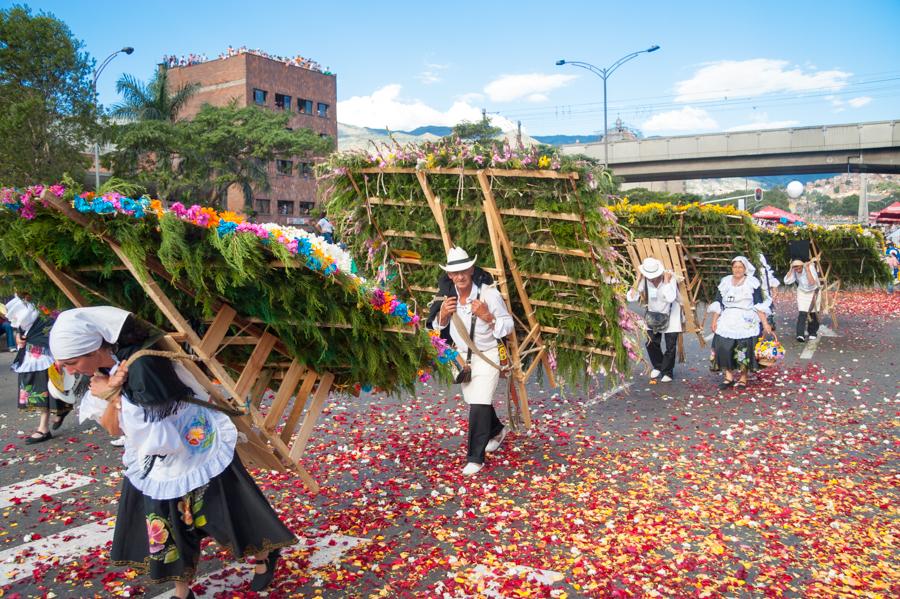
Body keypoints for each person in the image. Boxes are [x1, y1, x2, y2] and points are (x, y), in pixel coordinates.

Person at [50, 307, 295, 598]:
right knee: (165, 522)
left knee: (225, 509)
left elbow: (157, 435)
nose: (70, 371)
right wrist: (112, 393)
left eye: (72, 362)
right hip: (159, 459)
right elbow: (114, 429)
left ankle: (264, 555)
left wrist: (114, 394)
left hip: (194, 446)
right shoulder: (104, 374)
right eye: (64, 365)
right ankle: (182, 591)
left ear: (91, 349)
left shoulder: (143, 365)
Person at [428, 247, 514, 476]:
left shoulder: (488, 294)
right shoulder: (446, 297)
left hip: (488, 355)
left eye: (464, 271)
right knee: (476, 400)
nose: (460, 276)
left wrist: (488, 316)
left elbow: (508, 325)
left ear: (472, 270)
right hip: (462, 358)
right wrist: (442, 317)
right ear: (449, 275)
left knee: (478, 403)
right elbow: (436, 329)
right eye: (455, 273)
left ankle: (475, 458)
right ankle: (497, 431)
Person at [6, 296, 70, 443]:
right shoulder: (24, 319)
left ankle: (43, 428)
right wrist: (19, 338)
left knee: (43, 393)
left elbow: (53, 337)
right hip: (28, 360)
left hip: (44, 360)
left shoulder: (47, 316)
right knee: (38, 392)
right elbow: (20, 333)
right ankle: (62, 408)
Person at [708, 257, 774, 389]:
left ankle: (743, 377)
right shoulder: (725, 282)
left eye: (740, 267)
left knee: (742, 348)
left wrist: (765, 323)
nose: (737, 270)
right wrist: (714, 320)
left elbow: (758, 304)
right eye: (735, 267)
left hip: (745, 318)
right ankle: (728, 377)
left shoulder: (752, 282)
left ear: (745, 269)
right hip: (727, 318)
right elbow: (718, 302)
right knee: (723, 347)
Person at [626, 257, 682, 383]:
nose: (651, 278)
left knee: (670, 345)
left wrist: (667, 281)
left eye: (653, 275)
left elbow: (670, 297)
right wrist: (638, 279)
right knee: (651, 343)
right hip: (653, 315)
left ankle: (667, 371)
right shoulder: (644, 280)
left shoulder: (669, 278)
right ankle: (658, 366)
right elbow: (631, 298)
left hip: (671, 313)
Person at [783, 258, 820, 342]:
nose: (798, 270)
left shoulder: (810, 267)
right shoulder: (794, 271)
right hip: (802, 291)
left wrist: (807, 269)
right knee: (802, 312)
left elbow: (812, 283)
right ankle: (800, 334)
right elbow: (786, 281)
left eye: (799, 268)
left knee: (814, 312)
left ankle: (813, 332)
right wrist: (791, 269)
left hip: (814, 291)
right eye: (796, 268)